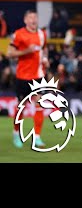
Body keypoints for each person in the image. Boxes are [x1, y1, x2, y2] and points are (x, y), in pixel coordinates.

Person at [7, 10, 48, 149]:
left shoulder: (42, 34)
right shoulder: (18, 34)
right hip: (23, 76)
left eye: (35, 17)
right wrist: (26, 51)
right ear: (25, 20)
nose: (33, 20)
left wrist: (45, 59)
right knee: (21, 108)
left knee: (40, 105)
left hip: (38, 76)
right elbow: (9, 53)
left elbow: (44, 49)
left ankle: (37, 137)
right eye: (30, 17)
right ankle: (16, 133)